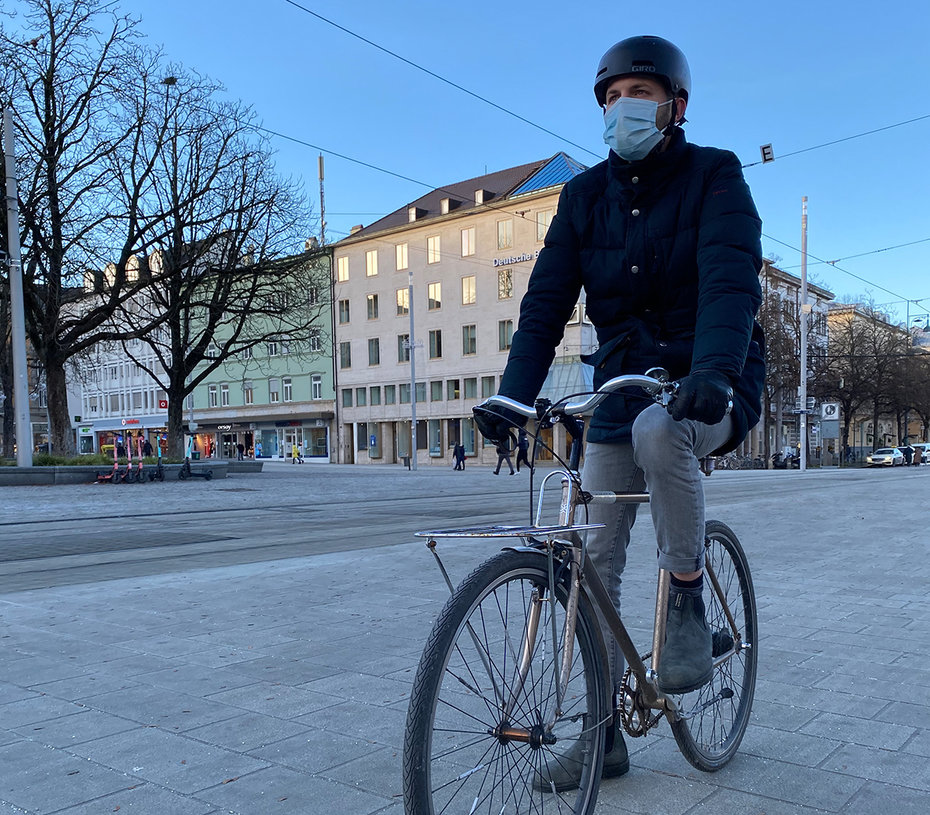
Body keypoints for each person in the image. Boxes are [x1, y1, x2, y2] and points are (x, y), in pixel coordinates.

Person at [473, 35, 764, 788]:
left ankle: (691, 604)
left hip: (710, 382)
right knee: (589, 561)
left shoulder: (715, 175)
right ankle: (601, 736)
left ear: (675, 105)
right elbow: (544, 304)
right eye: (609, 98)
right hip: (620, 386)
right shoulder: (584, 196)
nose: (621, 109)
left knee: (659, 429)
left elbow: (731, 282)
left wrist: (715, 370)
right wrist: (512, 391)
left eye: (637, 94)